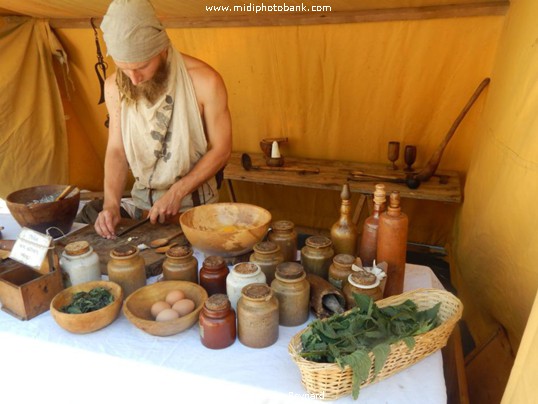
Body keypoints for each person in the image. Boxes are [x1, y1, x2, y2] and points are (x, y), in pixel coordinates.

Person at [89, 0, 232, 239]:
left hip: (196, 211)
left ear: (162, 49)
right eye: (124, 68)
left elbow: (222, 149)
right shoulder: (114, 86)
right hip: (141, 208)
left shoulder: (205, 81)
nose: (134, 79)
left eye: (142, 66)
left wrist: (177, 192)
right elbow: (117, 150)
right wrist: (111, 205)